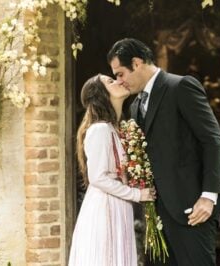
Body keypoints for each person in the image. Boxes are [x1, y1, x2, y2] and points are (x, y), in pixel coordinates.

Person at [107, 38, 220, 266]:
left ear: (136, 63)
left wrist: (208, 197)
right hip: (156, 216)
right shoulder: (135, 106)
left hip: (192, 209)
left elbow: (213, 141)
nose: (120, 81)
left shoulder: (181, 86)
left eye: (120, 74)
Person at [68, 74, 155, 266]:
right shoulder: (99, 130)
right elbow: (98, 177)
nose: (118, 81)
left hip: (118, 205)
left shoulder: (115, 128)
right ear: (101, 95)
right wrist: (137, 194)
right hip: (105, 207)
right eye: (110, 81)